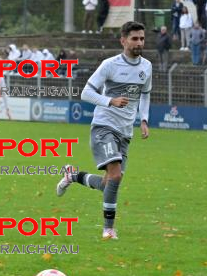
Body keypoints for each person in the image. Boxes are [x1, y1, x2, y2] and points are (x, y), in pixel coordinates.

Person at [56, 21, 152, 240]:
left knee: (108, 182)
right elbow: (86, 93)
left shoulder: (147, 66)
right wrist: (110, 101)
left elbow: (145, 94)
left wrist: (144, 119)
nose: (139, 43)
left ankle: (72, 175)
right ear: (123, 40)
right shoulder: (110, 64)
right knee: (116, 175)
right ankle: (108, 229)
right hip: (104, 126)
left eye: (142, 38)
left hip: (125, 131)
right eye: (135, 38)